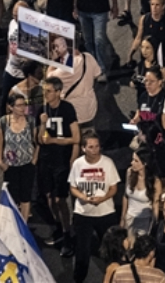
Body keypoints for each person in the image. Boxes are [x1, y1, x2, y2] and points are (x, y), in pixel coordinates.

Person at [69, 130, 120, 283]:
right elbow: (73, 187)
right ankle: (79, 279)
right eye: (91, 147)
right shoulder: (78, 164)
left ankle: (115, 278)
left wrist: (103, 198)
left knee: (111, 249)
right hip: (83, 213)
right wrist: (83, 197)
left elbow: (113, 188)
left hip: (105, 213)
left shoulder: (108, 163)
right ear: (83, 148)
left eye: (97, 146)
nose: (95, 150)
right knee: (82, 251)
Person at [39, 75, 81, 257]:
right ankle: (60, 227)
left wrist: (57, 142)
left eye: (49, 91)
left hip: (62, 162)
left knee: (60, 199)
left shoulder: (67, 109)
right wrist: (42, 124)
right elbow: (40, 139)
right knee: (49, 197)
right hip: (46, 161)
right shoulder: (42, 110)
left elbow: (76, 137)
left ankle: (67, 233)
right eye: (45, 91)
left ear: (58, 92)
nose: (46, 94)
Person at [0, 93, 38, 222]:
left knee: (26, 196)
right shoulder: (3, 122)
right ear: (10, 107)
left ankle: (24, 224)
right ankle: (14, 223)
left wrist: (34, 160)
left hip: (27, 164)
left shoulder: (30, 121)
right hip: (10, 166)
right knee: (12, 196)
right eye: (19, 105)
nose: (22, 108)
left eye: (24, 104)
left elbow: (37, 142)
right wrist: (0, 161)